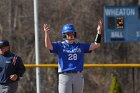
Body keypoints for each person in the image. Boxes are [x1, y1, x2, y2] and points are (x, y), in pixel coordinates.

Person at [43, 19, 102, 93]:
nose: (71, 35)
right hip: (65, 75)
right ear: (64, 35)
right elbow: (48, 46)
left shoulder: (80, 46)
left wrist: (99, 32)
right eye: (68, 33)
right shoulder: (60, 45)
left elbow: (96, 45)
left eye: (72, 33)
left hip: (78, 75)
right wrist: (46, 34)